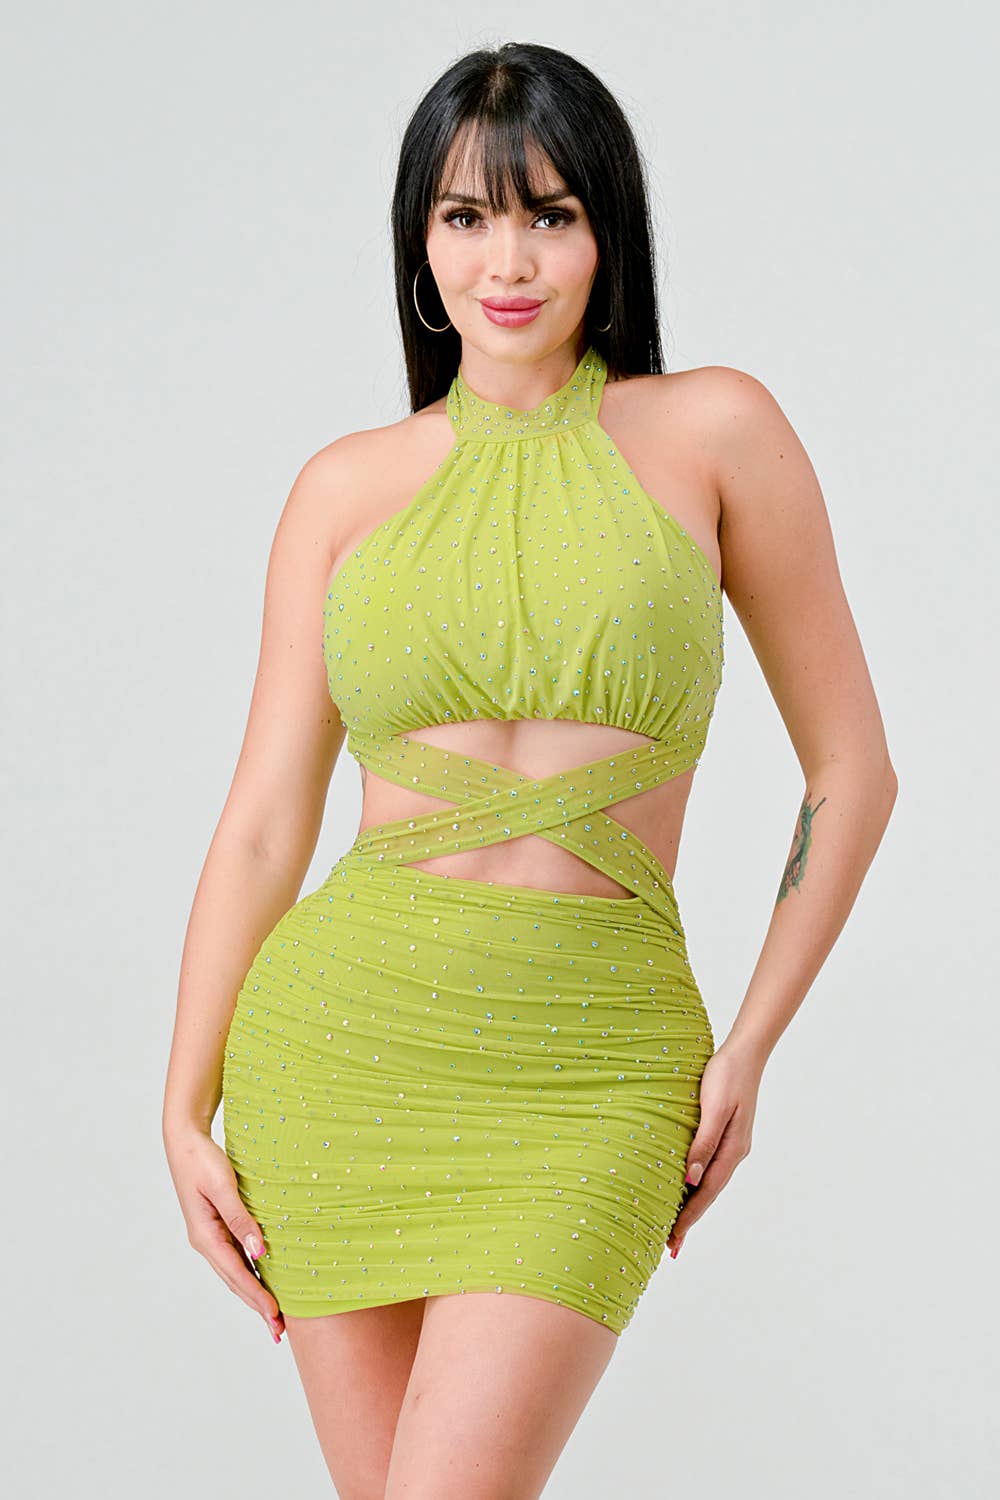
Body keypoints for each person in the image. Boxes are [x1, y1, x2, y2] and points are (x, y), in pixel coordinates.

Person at [162, 39, 897, 1499]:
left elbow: (851, 769)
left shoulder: (716, 432)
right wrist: (181, 1107)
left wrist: (750, 1046)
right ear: (420, 242)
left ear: (606, 231)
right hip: (340, 1055)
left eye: (549, 214)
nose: (507, 260)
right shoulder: (343, 487)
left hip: (593, 1066)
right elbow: (262, 824)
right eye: (467, 216)